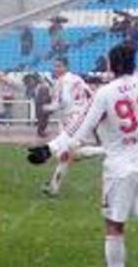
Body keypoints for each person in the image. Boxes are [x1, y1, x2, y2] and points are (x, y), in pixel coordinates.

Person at [27, 0, 138, 267]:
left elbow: (78, 129)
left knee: (114, 227)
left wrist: (49, 149)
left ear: (111, 67)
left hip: (119, 167)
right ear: (134, 63)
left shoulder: (105, 94)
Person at [41, 59, 100, 197]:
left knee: (64, 153)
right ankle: (53, 187)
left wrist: (47, 108)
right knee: (68, 154)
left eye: (59, 65)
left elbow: (63, 102)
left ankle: (106, 151)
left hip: (71, 120)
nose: (56, 68)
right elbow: (90, 96)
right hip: (82, 117)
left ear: (66, 67)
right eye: (55, 66)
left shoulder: (62, 81)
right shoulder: (77, 79)